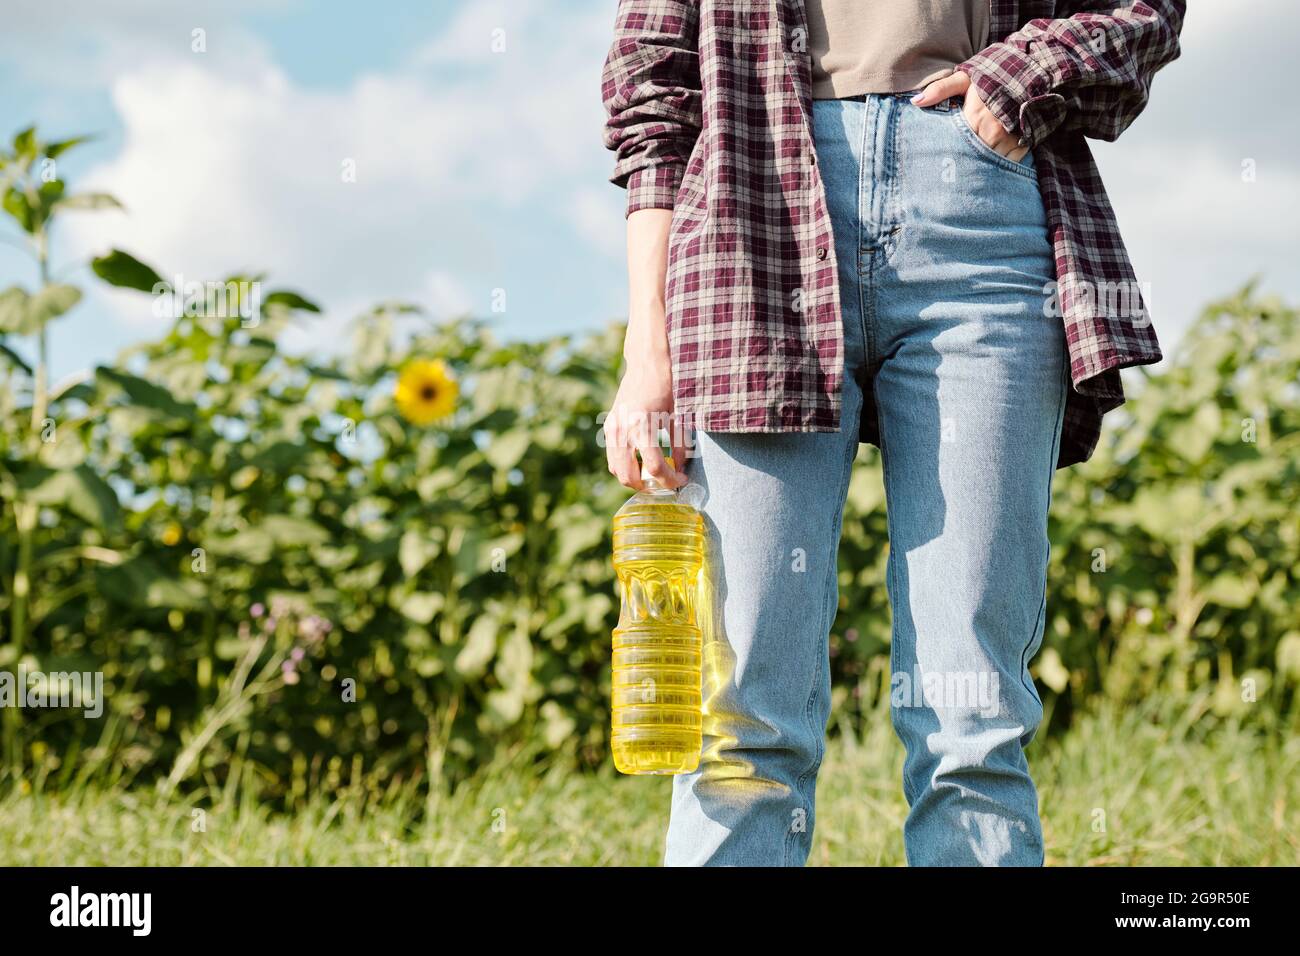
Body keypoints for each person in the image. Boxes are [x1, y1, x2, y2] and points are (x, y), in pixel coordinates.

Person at [600, 0, 1185, 866]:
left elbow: (1144, 7)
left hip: (977, 205)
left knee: (972, 711)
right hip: (752, 216)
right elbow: (655, 93)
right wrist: (647, 346)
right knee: (739, 711)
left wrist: (1019, 77)